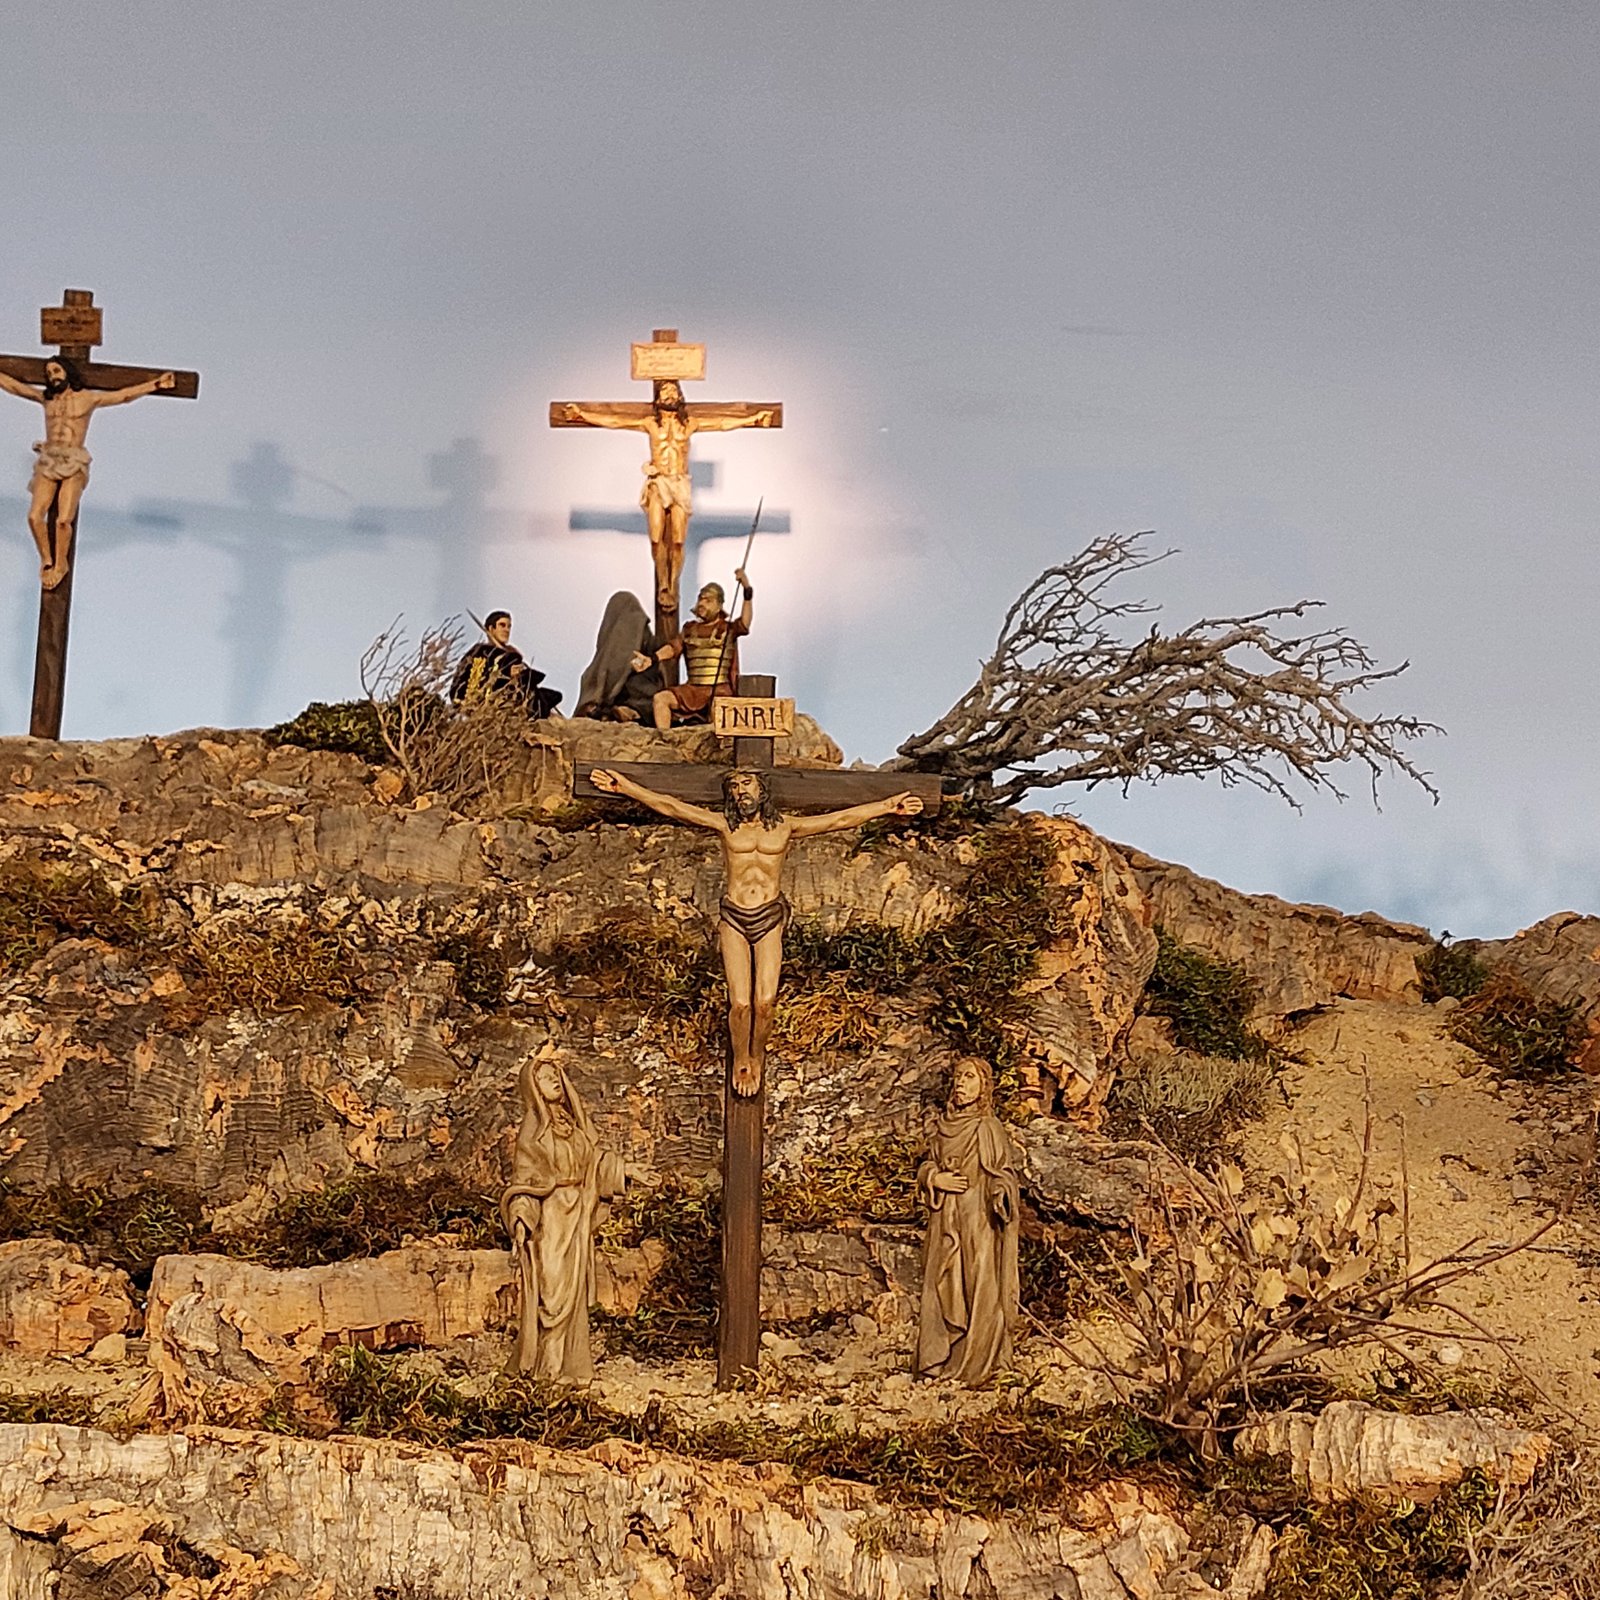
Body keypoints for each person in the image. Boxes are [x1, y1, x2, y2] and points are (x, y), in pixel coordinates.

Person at [589, 763, 924, 1095]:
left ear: (762, 790)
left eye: (746, 784)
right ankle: (741, 1058)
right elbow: (673, 806)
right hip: (734, 915)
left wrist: (887, 806)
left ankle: (758, 1054)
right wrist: (627, 788)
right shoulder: (725, 825)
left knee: (764, 1003)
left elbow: (838, 819)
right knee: (740, 1005)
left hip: (768, 916)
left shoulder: (785, 827)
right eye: (734, 787)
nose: (740, 792)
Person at [552, 381, 777, 611]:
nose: (669, 394)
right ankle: (663, 586)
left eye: (673, 391)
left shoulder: (689, 424)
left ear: (680, 397)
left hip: (679, 483)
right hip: (658, 483)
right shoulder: (650, 424)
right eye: (665, 391)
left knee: (678, 541)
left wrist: (753, 419)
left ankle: (672, 583)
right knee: (657, 538)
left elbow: (721, 423)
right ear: (658, 399)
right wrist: (582, 415)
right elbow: (616, 421)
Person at [499, 1053, 624, 1382]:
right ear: (533, 1087)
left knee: (574, 1294)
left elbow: (596, 1161)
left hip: (577, 1215)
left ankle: (564, 1368)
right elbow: (524, 1181)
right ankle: (543, 1368)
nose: (554, 1080)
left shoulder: (574, 1125)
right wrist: (522, 1219)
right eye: (544, 1076)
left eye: (556, 1074)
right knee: (551, 1293)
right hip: (551, 1217)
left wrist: (627, 1170)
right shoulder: (534, 1132)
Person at [0, 356, 176, 589]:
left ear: (68, 372)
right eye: (49, 372)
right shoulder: (46, 399)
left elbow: (122, 396)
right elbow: (16, 387)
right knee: (34, 516)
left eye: (56, 370)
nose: (52, 375)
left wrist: (154, 384)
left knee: (64, 520)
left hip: (74, 459)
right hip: (49, 460)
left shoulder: (87, 399)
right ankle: (46, 559)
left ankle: (61, 563)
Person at [915, 1057, 1020, 1387]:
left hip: (978, 1222)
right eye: (958, 1077)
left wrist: (1000, 1195)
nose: (961, 1083)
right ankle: (938, 1359)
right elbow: (926, 1166)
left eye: (969, 1077)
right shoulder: (943, 1129)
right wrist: (935, 1178)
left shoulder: (988, 1128)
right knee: (943, 1286)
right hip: (945, 1221)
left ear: (983, 1086)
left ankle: (978, 1361)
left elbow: (1004, 1174)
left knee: (979, 1287)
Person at [632, 570, 751, 730]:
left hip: (720, 690)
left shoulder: (727, 629)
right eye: (700, 599)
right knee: (661, 699)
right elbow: (673, 648)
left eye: (708, 600)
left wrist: (747, 590)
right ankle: (665, 741)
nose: (702, 604)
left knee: (720, 713)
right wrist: (651, 659)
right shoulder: (689, 629)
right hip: (693, 689)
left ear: (719, 605)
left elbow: (745, 622)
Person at [449, 610, 562, 718]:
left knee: (553, 695)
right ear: (491, 628)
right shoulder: (481, 652)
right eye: (502, 625)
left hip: (515, 693)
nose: (506, 630)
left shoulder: (511, 654)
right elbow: (474, 682)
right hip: (490, 699)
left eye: (509, 627)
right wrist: (507, 673)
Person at [574, 591, 661, 722]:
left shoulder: (643, 634)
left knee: (639, 690)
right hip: (617, 695)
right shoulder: (610, 643)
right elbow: (608, 666)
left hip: (640, 689)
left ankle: (628, 712)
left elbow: (638, 660)